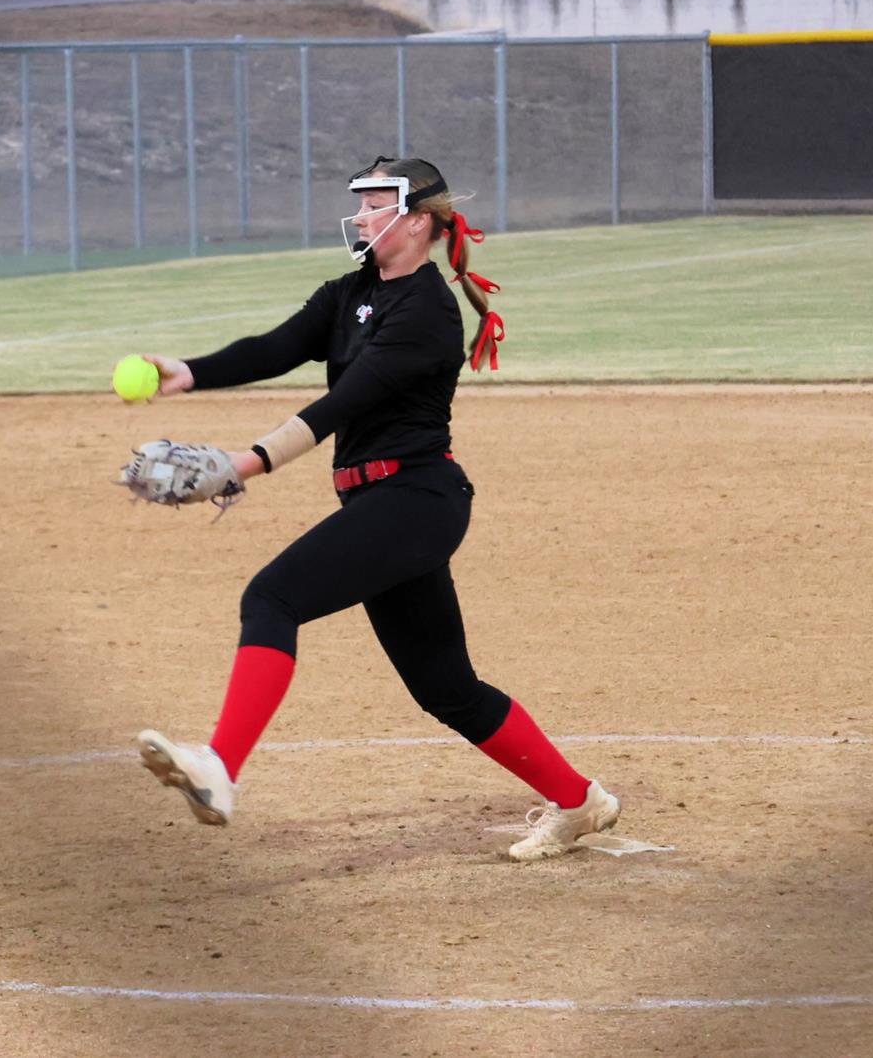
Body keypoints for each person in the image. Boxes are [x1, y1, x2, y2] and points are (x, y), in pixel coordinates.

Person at [133, 156, 619, 862]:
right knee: (446, 688)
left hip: (415, 499)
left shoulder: (426, 312)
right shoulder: (352, 291)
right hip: (388, 503)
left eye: (373, 204)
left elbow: (340, 405)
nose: (359, 216)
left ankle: (221, 769)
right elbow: (278, 347)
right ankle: (580, 803)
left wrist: (243, 465)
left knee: (272, 597)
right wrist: (193, 370)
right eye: (357, 204)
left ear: (417, 221)